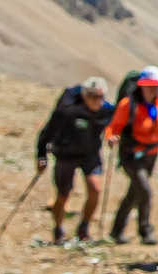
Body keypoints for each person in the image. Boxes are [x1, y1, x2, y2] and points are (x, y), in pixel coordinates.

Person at [35, 77, 113, 245]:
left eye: (100, 97)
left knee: (96, 188)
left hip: (90, 155)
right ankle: (58, 228)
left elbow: (115, 126)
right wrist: (41, 156)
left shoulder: (106, 112)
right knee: (63, 194)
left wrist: (113, 137)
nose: (97, 101)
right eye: (92, 96)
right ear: (84, 96)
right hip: (65, 155)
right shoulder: (66, 111)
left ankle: (84, 227)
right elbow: (47, 133)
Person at [105, 67, 158, 244]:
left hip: (152, 154)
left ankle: (116, 231)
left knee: (134, 193)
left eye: (155, 85)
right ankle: (146, 231)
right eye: (148, 85)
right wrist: (111, 137)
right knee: (144, 191)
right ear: (140, 86)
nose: (152, 89)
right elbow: (113, 127)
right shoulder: (128, 104)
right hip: (131, 155)